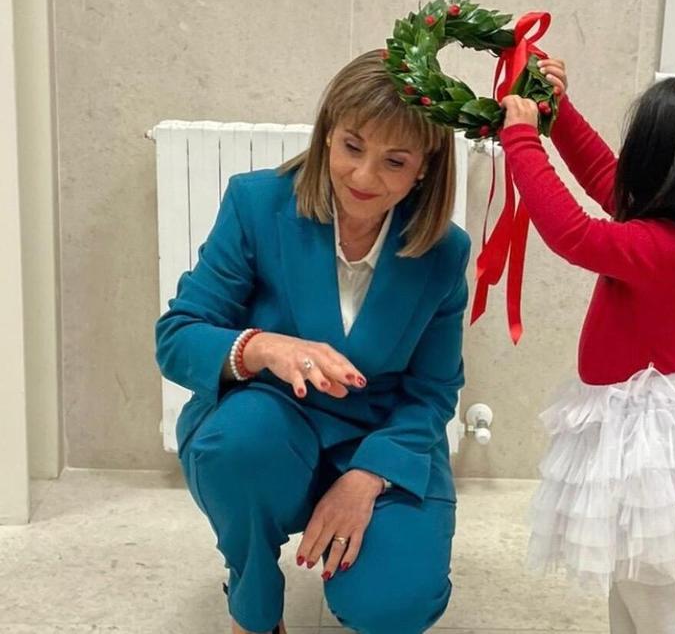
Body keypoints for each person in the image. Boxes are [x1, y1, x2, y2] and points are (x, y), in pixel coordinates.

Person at [155, 49, 470, 634]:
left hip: (379, 439)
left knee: (396, 604)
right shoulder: (255, 204)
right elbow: (177, 337)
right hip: (270, 423)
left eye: (394, 161)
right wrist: (263, 347)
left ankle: (366, 555)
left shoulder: (444, 252)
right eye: (352, 146)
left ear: (424, 167)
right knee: (236, 445)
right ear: (328, 134)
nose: (364, 176)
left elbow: (431, 393)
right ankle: (250, 603)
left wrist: (367, 478)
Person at [499, 60, 675, 634]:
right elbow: (604, 173)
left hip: (638, 436)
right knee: (632, 582)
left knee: (651, 597)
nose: (630, 164)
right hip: (641, 425)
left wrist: (522, 141)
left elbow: (571, 233)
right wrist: (557, 111)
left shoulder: (662, 249)